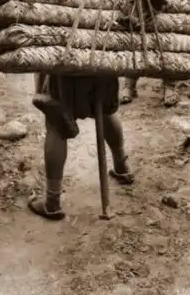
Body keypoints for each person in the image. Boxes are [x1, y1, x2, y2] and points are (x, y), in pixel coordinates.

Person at [28, 73, 134, 220]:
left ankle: (52, 202)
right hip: (102, 67)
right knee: (105, 109)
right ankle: (122, 167)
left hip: (66, 72)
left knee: (55, 123)